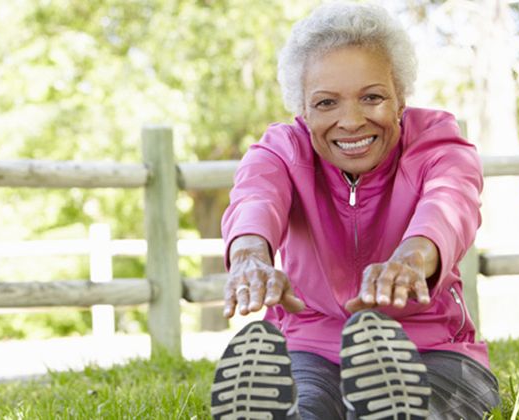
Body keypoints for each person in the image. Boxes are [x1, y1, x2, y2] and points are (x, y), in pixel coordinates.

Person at [211, 3, 501, 419]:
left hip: (432, 350)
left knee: (424, 407)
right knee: (307, 406)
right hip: (310, 348)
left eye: (372, 97)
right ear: (303, 110)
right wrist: (248, 258)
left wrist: (411, 259)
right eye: (327, 103)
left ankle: (392, 407)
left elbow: (450, 202)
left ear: (400, 98)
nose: (351, 121)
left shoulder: (437, 143)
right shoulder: (282, 150)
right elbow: (255, 197)